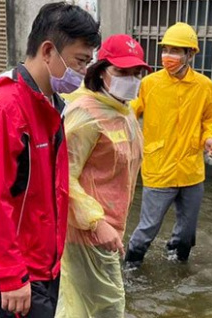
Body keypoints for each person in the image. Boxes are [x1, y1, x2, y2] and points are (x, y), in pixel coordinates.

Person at [0, 2, 100, 318]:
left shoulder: (49, 104)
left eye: (88, 63)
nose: (83, 72)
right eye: (79, 61)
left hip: (41, 262)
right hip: (13, 269)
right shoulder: (4, 109)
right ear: (48, 51)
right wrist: (10, 275)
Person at [54, 34, 149, 317]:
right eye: (121, 72)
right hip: (87, 231)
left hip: (110, 227)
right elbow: (62, 177)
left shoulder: (123, 109)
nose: (131, 79)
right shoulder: (86, 113)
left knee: (82, 305)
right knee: (108, 306)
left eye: (136, 73)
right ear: (101, 70)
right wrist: (97, 223)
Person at [125, 22, 212, 269]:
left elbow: (210, 117)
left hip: (191, 171)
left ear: (190, 54)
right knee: (148, 227)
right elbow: (128, 113)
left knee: (187, 232)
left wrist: (209, 138)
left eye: (176, 50)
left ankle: (177, 265)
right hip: (159, 168)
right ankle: (130, 267)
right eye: (166, 49)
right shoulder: (150, 84)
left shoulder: (203, 86)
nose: (168, 56)